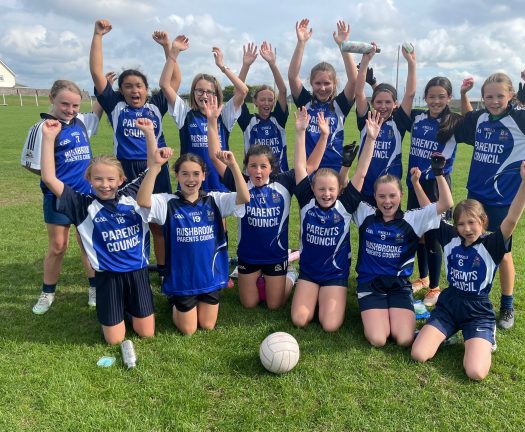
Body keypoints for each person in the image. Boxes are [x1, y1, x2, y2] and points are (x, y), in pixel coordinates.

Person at [457, 66, 525, 329]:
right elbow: (468, 119)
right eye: (489, 96)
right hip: (475, 197)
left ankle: (507, 305)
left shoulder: (522, 119)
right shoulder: (481, 118)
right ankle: (473, 297)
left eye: (499, 96)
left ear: (510, 96)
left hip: (503, 201)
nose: (494, 101)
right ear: (483, 97)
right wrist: (463, 95)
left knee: (503, 253)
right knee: (472, 248)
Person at [411, 161, 525, 380]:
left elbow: (511, 219)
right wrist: (416, 183)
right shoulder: (451, 237)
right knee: (418, 354)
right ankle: (448, 334)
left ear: (483, 221)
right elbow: (430, 212)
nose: (467, 229)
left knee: (475, 372)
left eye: (472, 223)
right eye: (461, 224)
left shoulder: (491, 243)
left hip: (478, 311)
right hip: (450, 305)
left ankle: (487, 334)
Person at [39, 118, 160, 344]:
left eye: (111, 179)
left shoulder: (133, 194)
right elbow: (49, 178)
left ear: (121, 179)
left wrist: (149, 133)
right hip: (107, 277)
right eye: (98, 179)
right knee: (114, 340)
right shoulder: (82, 205)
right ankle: (118, 308)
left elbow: (155, 165)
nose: (105, 184)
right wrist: (48, 138)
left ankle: (130, 307)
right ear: (89, 180)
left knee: (146, 333)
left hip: (138, 274)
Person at [205, 97, 328, 309]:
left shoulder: (284, 181)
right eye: (253, 166)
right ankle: (261, 278)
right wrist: (211, 122)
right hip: (249, 256)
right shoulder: (241, 182)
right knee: (249, 304)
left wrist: (323, 136)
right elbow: (215, 158)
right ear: (246, 167)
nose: (258, 171)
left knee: (274, 305)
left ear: (272, 167)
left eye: (263, 166)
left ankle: (290, 274)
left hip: (275, 257)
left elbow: (311, 165)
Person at [136, 119, 249, 335]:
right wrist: (156, 167)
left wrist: (233, 166)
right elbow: (143, 200)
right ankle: (175, 301)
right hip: (183, 279)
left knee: (207, 325)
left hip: (210, 277)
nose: (191, 179)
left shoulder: (214, 200)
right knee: (188, 330)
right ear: (177, 176)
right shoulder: (168, 202)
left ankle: (193, 302)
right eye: (185, 174)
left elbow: (244, 197)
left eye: (196, 174)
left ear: (204, 176)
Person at [89, 20, 180, 277]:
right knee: (130, 219)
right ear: (121, 90)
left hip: (155, 169)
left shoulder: (156, 105)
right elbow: (96, 73)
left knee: (159, 222)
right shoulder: (116, 106)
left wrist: (168, 48)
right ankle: (133, 265)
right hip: (126, 170)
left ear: (146, 89)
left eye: (139, 85)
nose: (134, 90)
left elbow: (174, 79)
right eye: (128, 86)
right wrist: (98, 36)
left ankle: (164, 269)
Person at [292, 108, 382, 332]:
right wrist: (300, 132)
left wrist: (371, 139)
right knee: (300, 320)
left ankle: (324, 298)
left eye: (331, 189)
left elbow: (361, 174)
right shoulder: (306, 200)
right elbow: (300, 167)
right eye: (321, 189)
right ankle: (298, 283)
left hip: (335, 274)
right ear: (313, 189)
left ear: (339, 189)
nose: (326, 194)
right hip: (309, 272)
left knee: (330, 325)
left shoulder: (345, 204)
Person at [21, 80, 103, 314]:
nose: (70, 109)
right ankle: (47, 293)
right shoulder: (42, 128)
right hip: (57, 196)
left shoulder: (82, 122)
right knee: (58, 246)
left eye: (75, 105)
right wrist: (56, 181)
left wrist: (103, 87)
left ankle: (95, 287)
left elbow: (97, 111)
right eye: (65, 104)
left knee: (88, 243)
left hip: (86, 196)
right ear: (51, 99)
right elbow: (30, 164)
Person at [353, 158, 453, 347]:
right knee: (378, 339)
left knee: (405, 339)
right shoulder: (365, 214)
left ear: (401, 195)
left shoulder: (412, 219)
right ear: (374, 196)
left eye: (392, 195)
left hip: (398, 286)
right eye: (381, 196)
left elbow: (445, 204)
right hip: (370, 285)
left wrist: (436, 174)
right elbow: (345, 189)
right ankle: (378, 313)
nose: (387, 201)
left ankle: (399, 317)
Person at [405, 76, 471, 308]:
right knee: (418, 233)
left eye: (441, 97)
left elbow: (472, 123)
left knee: (434, 236)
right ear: (425, 97)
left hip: (437, 185)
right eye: (431, 96)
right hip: (414, 183)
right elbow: (399, 106)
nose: (436, 101)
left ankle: (434, 286)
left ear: (449, 98)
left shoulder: (455, 122)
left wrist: (464, 95)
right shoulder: (417, 118)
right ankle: (423, 278)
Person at [159, 35, 249, 192]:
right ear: (193, 92)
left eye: (209, 91)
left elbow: (243, 90)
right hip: (191, 182)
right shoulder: (185, 114)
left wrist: (222, 67)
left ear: (217, 94)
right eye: (199, 90)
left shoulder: (223, 115)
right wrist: (173, 54)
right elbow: (165, 85)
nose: (204, 95)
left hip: (219, 181)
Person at [342, 42, 415, 202]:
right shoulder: (367, 120)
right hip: (365, 188)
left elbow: (409, 94)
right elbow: (359, 93)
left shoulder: (398, 123)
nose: (383, 106)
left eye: (388, 102)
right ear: (373, 103)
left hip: (390, 191)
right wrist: (365, 61)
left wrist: (411, 63)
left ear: (395, 104)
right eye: (379, 102)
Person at [288, 18, 357, 172]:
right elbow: (292, 76)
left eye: (327, 83)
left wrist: (344, 46)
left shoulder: (340, 105)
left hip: (333, 171)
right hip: (308, 169)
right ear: (311, 83)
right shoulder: (305, 103)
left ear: (334, 84)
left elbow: (354, 80)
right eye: (318, 83)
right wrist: (301, 43)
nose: (323, 88)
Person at [237, 42, 290, 171]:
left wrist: (272, 64)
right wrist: (246, 65)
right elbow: (238, 92)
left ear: (274, 102)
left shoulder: (278, 119)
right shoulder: (247, 121)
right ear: (255, 102)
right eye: (262, 100)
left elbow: (283, 91)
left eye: (270, 100)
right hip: (254, 176)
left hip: (279, 176)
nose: (266, 103)